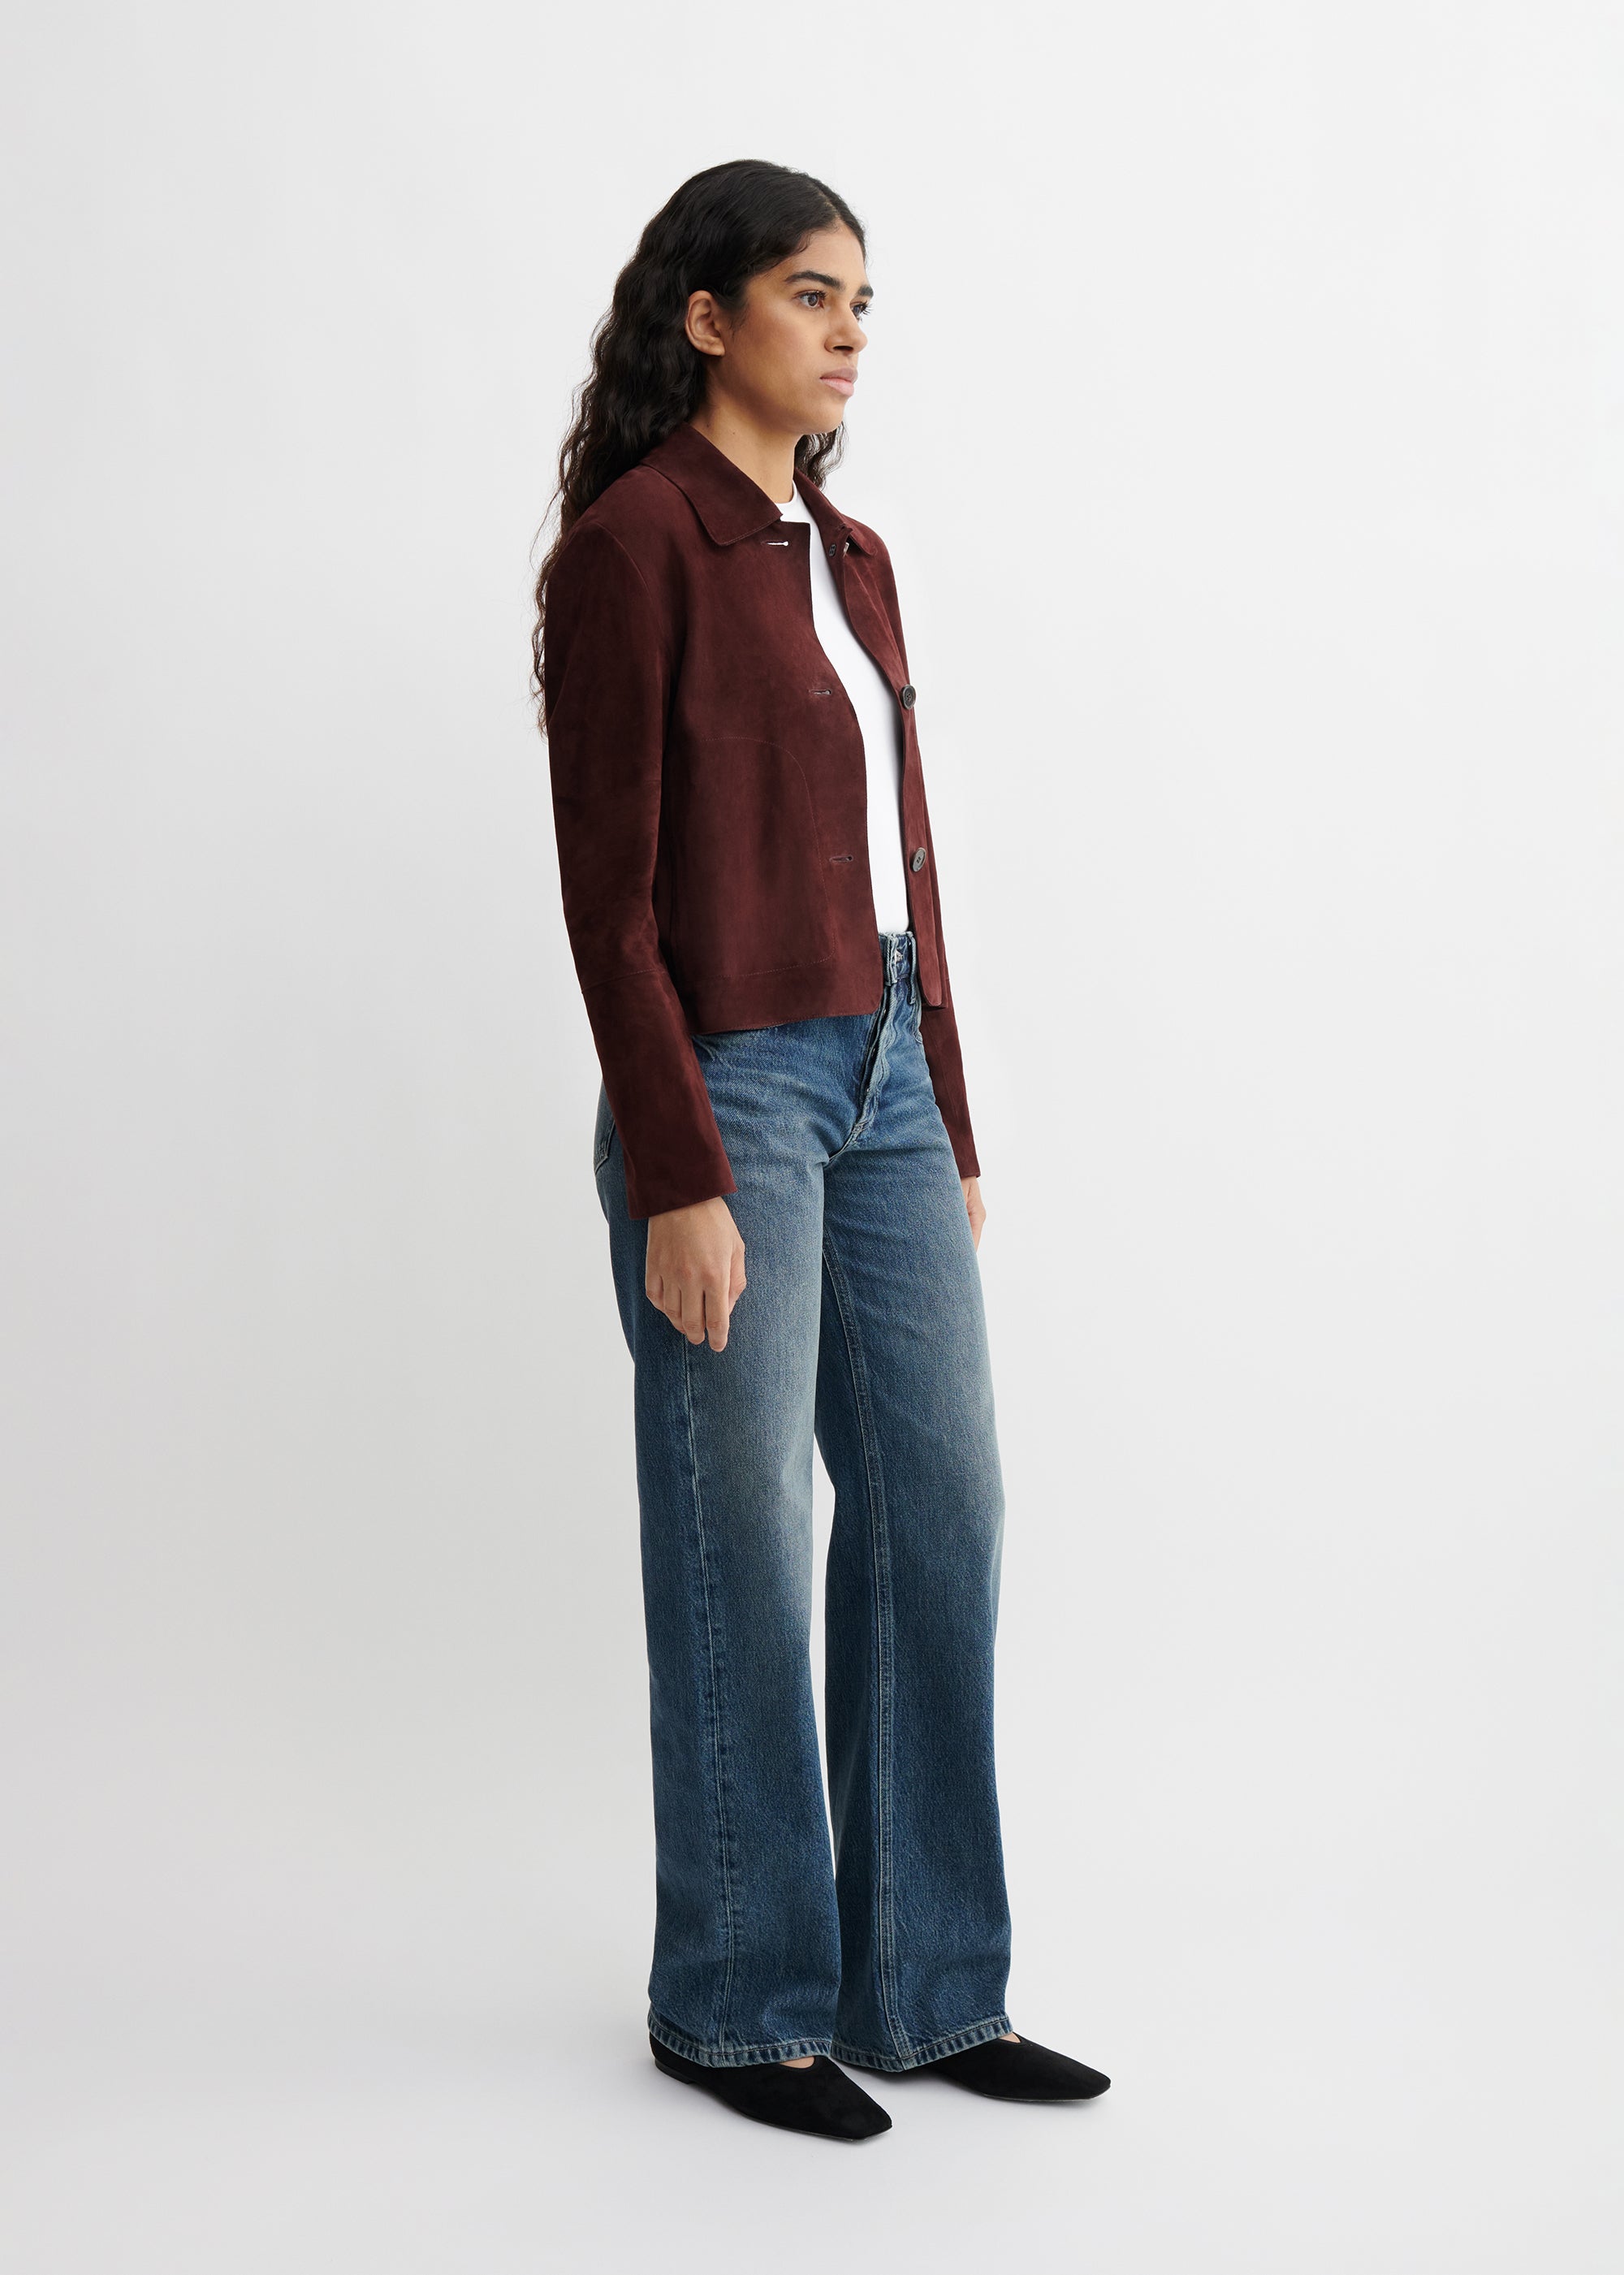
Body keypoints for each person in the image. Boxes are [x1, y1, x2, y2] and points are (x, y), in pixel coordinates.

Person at [533, 159, 1110, 2142]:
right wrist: (679, 1167)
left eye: (863, 295)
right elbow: (607, 899)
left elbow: (901, 862)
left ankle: (927, 1991)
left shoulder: (849, 554)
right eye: (809, 290)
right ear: (707, 319)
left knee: (943, 1504)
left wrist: (942, 1101)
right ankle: (734, 2002)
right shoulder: (637, 545)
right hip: (732, 1086)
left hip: (881, 1076)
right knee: (744, 1535)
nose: (851, 326)